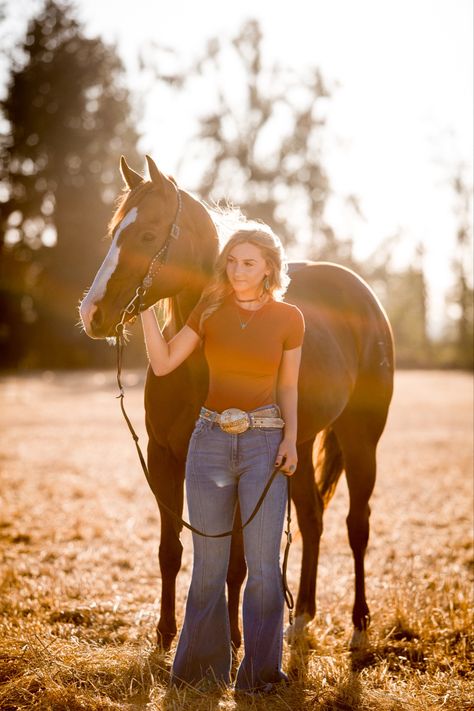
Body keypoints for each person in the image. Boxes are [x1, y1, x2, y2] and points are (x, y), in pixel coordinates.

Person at [140, 224, 304, 694]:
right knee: (208, 566)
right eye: (232, 261)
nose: (237, 271)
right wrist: (148, 313)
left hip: (264, 442)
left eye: (248, 263)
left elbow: (289, 385)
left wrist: (291, 439)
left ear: (269, 267)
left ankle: (261, 675)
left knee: (263, 567)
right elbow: (164, 362)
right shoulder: (209, 309)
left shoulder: (290, 318)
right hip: (209, 439)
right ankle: (199, 671)